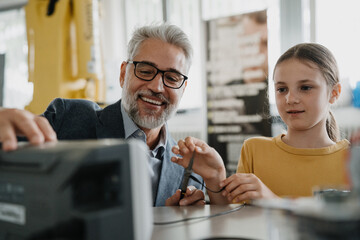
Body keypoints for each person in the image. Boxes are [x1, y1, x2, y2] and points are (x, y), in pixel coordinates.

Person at [0, 23, 205, 207]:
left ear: (183, 89)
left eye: (171, 77)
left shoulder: (190, 169)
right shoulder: (67, 119)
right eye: (145, 70)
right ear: (123, 74)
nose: (157, 87)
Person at [172, 43, 350, 204]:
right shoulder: (254, 150)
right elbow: (232, 217)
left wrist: (273, 201)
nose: (290, 99)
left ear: (334, 93)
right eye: (282, 89)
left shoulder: (351, 161)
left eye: (305, 88)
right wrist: (214, 178)